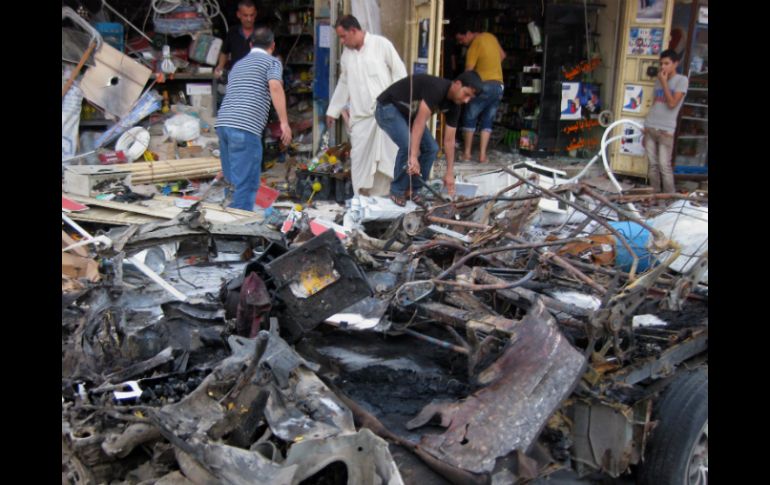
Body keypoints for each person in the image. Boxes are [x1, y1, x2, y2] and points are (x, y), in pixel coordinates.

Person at [325, 15, 407, 197]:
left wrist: (396, 104)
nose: (342, 41)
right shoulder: (346, 56)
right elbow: (344, 83)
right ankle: (361, 201)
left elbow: (400, 73)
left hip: (386, 116)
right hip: (361, 119)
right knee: (360, 161)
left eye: (343, 36)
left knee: (387, 160)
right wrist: (333, 110)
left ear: (353, 31)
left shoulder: (381, 45)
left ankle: (385, 198)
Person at [375, 71, 483, 205]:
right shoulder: (436, 88)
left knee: (432, 148)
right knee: (409, 146)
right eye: (466, 94)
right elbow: (419, 122)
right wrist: (413, 156)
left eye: (470, 98)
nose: (466, 100)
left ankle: (413, 190)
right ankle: (397, 190)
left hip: (408, 116)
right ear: (457, 84)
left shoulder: (455, 106)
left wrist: (449, 173)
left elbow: (449, 141)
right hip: (387, 107)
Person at [215, 27, 292, 211]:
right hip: (245, 127)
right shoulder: (272, 62)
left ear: (250, 45)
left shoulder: (238, 65)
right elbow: (275, 86)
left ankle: (227, 221)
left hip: (223, 124)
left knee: (232, 181)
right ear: (272, 46)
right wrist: (284, 123)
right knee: (246, 183)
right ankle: (239, 229)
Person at [454, 22, 506, 164]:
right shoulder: (491, 37)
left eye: (461, 39)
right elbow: (502, 55)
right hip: (499, 86)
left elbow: (469, 71)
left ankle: (467, 154)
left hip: (483, 85)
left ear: (469, 33)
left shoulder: (474, 45)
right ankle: (482, 156)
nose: (461, 43)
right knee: (487, 120)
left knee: (470, 117)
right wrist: (491, 66)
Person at [643, 49, 688, 194]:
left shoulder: (682, 80)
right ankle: (655, 194)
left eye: (667, 63)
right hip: (651, 126)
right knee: (653, 165)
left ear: (676, 63)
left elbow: (672, 103)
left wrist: (664, 83)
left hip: (666, 129)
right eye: (661, 63)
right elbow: (656, 103)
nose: (663, 67)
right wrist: (646, 124)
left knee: (664, 166)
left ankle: (670, 198)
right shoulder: (659, 80)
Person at [215, 0, 260, 78]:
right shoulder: (233, 32)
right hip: (236, 77)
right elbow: (224, 52)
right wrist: (220, 67)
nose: (249, 19)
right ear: (238, 15)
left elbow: (273, 56)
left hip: (256, 79)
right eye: (245, 15)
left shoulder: (262, 33)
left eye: (251, 15)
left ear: (255, 14)